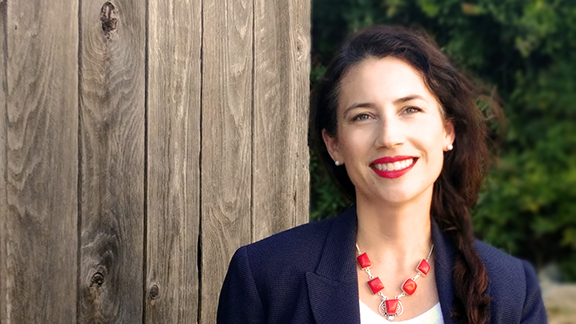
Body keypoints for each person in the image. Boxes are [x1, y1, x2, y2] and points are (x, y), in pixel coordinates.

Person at [217, 25, 547, 324]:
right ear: (334, 145)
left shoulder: (511, 287)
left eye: (411, 110)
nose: (389, 137)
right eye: (363, 116)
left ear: (448, 131)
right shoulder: (265, 276)